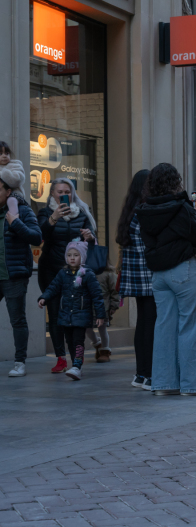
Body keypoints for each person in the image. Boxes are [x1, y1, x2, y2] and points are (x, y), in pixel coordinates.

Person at [136, 163, 196, 396]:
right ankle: (193, 385)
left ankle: (164, 384)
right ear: (176, 182)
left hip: (159, 274)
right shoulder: (182, 207)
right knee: (191, 326)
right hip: (183, 270)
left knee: (164, 328)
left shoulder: (144, 211)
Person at [37, 177, 97, 373]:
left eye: (68, 191)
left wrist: (90, 238)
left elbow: (91, 245)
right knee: (55, 314)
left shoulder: (82, 213)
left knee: (75, 315)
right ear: (52, 194)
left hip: (75, 272)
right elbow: (38, 236)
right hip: (51, 270)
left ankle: (75, 361)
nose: (64, 194)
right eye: (59, 191)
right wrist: (53, 218)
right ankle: (60, 358)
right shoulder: (45, 212)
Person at [1, 142, 43, 377]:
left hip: (14, 273)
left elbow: (37, 238)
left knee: (17, 319)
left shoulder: (22, 210)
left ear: (8, 191)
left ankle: (19, 362)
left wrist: (15, 223)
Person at [38, 242, 105, 380]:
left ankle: (77, 366)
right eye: (69, 255)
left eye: (76, 255)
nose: (72, 258)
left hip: (81, 315)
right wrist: (44, 297)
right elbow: (53, 287)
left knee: (78, 341)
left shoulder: (88, 274)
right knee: (69, 341)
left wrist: (100, 315)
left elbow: (97, 296)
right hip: (65, 315)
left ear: (83, 257)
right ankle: (76, 365)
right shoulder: (63, 273)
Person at [117, 170, 156, 390]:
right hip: (148, 275)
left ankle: (141, 373)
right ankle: (148, 374)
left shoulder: (129, 211)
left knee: (143, 323)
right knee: (149, 324)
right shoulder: (143, 212)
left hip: (135, 277)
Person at [84, 256, 119, 363]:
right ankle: (97, 343)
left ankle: (105, 351)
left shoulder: (109, 274)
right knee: (87, 328)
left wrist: (113, 306)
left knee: (102, 329)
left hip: (104, 307)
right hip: (88, 306)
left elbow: (115, 291)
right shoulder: (86, 273)